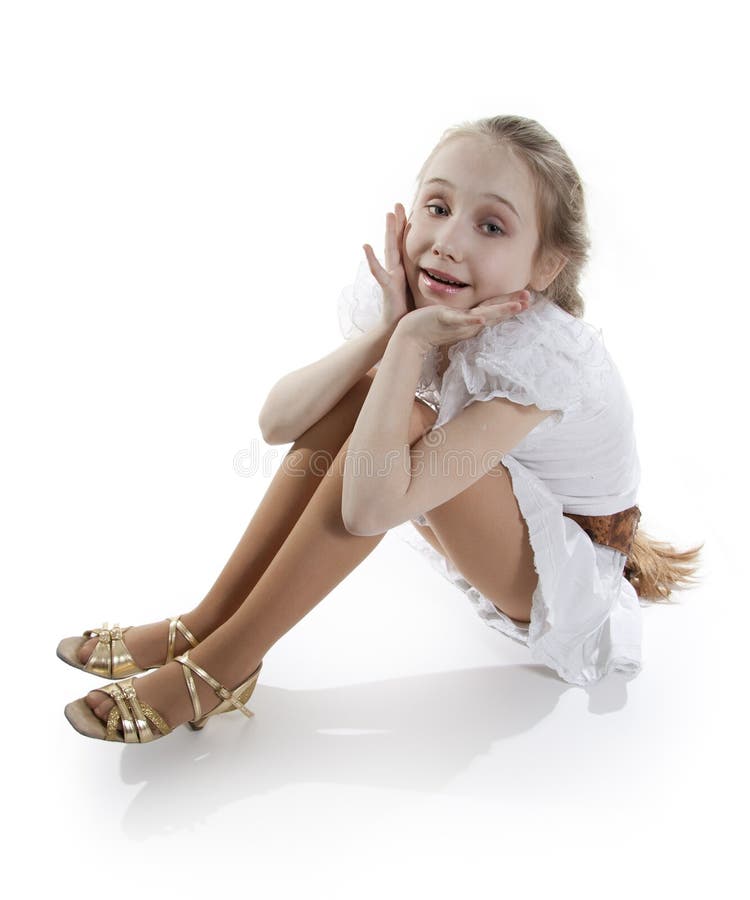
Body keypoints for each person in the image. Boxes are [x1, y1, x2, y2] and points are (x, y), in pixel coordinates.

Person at [60, 114, 703, 744]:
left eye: (491, 225)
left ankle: (222, 667)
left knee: (405, 416)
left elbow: (370, 510)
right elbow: (277, 421)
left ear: (544, 267)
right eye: (437, 206)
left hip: (557, 574)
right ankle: (203, 625)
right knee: (371, 401)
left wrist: (407, 343)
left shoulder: (541, 359)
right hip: (492, 506)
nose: (449, 240)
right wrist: (388, 331)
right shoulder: (419, 304)